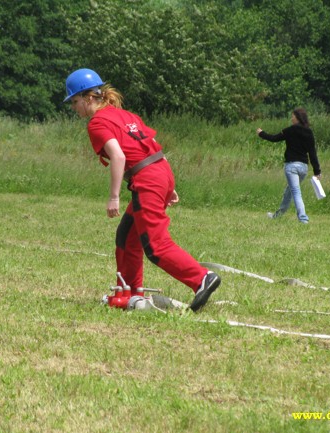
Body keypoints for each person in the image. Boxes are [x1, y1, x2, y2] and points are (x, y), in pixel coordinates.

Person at [64, 68, 221, 312]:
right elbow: (152, 145)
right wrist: (169, 184)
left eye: (74, 101)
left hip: (148, 177)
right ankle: (128, 293)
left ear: (89, 97)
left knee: (156, 245)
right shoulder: (125, 115)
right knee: (127, 236)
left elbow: (118, 156)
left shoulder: (97, 122)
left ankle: (202, 278)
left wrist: (114, 196)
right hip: (160, 170)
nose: (74, 108)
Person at [256, 108, 321, 223]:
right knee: (289, 191)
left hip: (291, 167)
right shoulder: (309, 132)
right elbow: (312, 153)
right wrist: (317, 171)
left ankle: (303, 218)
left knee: (295, 191)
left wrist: (261, 133)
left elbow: (274, 138)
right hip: (303, 168)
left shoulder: (289, 131)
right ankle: (277, 215)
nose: (291, 118)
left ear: (297, 117)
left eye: (293, 116)